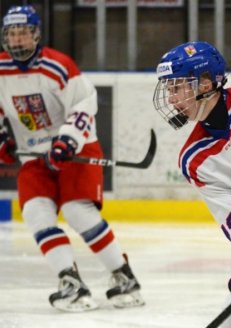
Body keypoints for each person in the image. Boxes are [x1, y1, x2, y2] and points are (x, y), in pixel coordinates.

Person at [0, 4, 144, 312]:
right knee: (37, 213)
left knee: (77, 211)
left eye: (23, 33)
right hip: (34, 157)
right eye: (12, 34)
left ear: (36, 35)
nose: (18, 40)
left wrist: (67, 140)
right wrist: (4, 138)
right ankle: (70, 281)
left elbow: (84, 104)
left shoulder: (58, 66)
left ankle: (124, 276)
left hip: (76, 149)